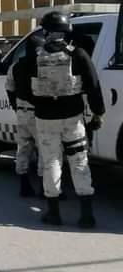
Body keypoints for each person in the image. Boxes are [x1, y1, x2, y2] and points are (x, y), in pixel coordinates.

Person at [31, 12, 105, 228]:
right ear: (67, 31)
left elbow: (24, 88)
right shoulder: (78, 54)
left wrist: (40, 104)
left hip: (45, 119)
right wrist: (98, 113)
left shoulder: (35, 57)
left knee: (51, 162)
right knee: (79, 162)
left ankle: (53, 213)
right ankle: (87, 216)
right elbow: (93, 86)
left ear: (46, 32)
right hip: (73, 119)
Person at [5, 36, 44, 197]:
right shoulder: (42, 65)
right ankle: (44, 188)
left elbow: (9, 89)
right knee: (44, 150)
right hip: (39, 113)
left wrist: (16, 107)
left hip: (22, 112)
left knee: (23, 149)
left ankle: (24, 185)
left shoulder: (15, 66)